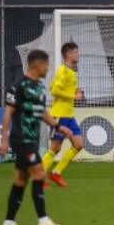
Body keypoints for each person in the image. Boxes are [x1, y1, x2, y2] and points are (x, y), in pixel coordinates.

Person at [0, 49, 67, 225]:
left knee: (20, 180)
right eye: (46, 64)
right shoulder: (18, 86)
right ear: (37, 64)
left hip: (32, 139)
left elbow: (42, 112)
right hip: (22, 138)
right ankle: (43, 220)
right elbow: (8, 113)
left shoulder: (39, 87)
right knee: (39, 174)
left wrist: (58, 127)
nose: (48, 68)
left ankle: (9, 222)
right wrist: (3, 140)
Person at [42, 42, 85, 188]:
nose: (79, 54)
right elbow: (54, 91)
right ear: (68, 54)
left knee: (78, 144)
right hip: (59, 115)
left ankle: (56, 173)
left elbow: (52, 86)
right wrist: (73, 96)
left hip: (68, 115)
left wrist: (74, 92)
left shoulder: (71, 72)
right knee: (55, 148)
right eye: (76, 52)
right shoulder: (64, 71)